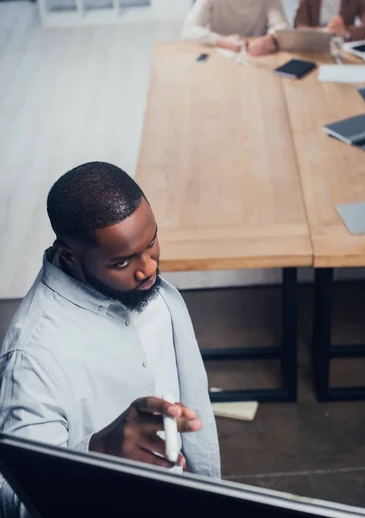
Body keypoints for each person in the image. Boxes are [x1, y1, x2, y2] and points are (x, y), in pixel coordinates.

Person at [0, 162, 220, 516]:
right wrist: (97, 452)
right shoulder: (34, 357)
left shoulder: (151, 291)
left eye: (151, 245)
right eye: (121, 261)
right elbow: (16, 498)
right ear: (71, 258)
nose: (147, 268)